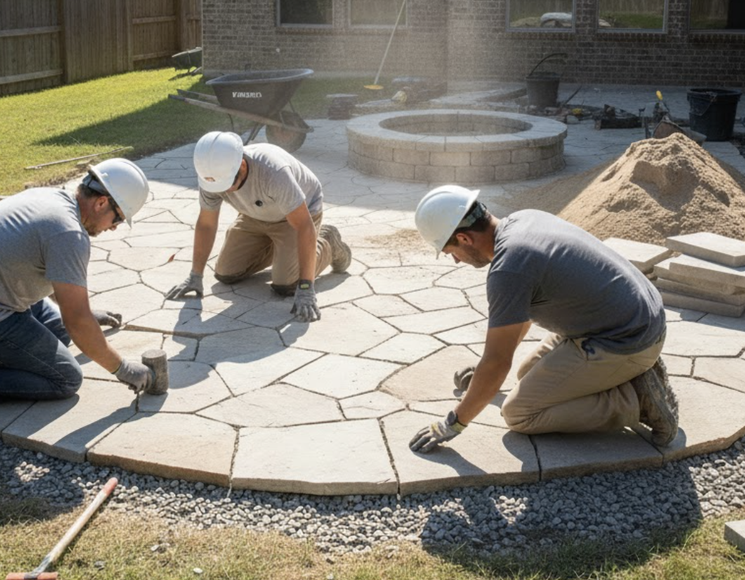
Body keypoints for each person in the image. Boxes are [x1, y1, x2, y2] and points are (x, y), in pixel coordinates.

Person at [408, 185, 678, 454]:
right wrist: (484, 379)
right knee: (526, 374)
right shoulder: (524, 220)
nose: (455, 260)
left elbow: (497, 361)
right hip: (628, 317)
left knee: (520, 413)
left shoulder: (508, 270)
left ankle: (634, 400)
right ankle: (626, 375)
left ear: (464, 238)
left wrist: (453, 423)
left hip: (629, 338)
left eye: (450, 252)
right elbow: (518, 317)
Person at [0, 158, 155, 438]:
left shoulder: (52, 198)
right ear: (101, 202)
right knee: (64, 378)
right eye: (118, 217)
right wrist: (122, 368)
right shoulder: (69, 234)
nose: (115, 227)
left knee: (59, 331)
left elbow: (63, 292)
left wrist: (84, 314)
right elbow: (78, 323)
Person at [165, 131, 352, 322]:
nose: (224, 191)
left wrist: (306, 288)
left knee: (286, 284)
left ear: (242, 165)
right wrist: (195, 275)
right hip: (254, 214)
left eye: (229, 185)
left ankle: (328, 241)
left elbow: (303, 226)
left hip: (296, 216)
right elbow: (206, 223)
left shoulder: (274, 173)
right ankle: (280, 249)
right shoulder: (211, 175)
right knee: (226, 273)